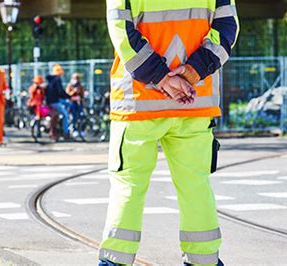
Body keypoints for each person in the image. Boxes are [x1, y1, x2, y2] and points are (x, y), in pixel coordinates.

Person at [99, 1, 239, 266]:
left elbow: (122, 32)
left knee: (128, 185)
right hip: (194, 99)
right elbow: (227, 29)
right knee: (195, 186)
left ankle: (115, 262)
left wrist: (162, 78)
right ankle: (204, 261)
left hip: (138, 103)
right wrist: (192, 71)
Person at [46, 64, 70, 140]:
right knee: (65, 115)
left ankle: (60, 125)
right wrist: (68, 96)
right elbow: (60, 92)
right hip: (55, 101)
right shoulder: (57, 80)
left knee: (65, 105)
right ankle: (66, 132)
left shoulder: (51, 80)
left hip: (50, 101)